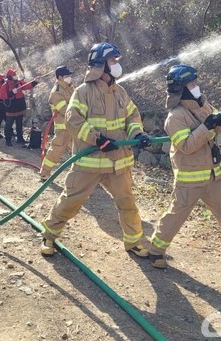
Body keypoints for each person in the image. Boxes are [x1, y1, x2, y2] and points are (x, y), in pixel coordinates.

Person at [40, 42, 151, 259]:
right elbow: (73, 120)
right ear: (101, 65)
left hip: (117, 162)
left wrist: (137, 134)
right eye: (112, 61)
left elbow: (132, 116)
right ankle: (49, 234)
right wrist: (97, 139)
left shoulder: (120, 92)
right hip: (89, 162)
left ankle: (134, 242)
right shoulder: (83, 92)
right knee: (70, 201)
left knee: (127, 202)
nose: (116, 65)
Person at [147, 65, 221, 269]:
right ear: (182, 89)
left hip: (212, 175)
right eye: (191, 84)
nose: (196, 86)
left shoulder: (202, 105)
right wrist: (207, 126)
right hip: (190, 178)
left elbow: (214, 127)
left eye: (195, 82)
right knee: (176, 216)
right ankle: (155, 251)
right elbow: (187, 146)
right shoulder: (175, 117)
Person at [39, 65, 75, 180]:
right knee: (56, 150)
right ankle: (44, 172)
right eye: (67, 76)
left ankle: (83, 175)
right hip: (63, 128)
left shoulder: (69, 87)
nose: (69, 77)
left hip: (74, 125)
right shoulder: (56, 92)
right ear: (60, 77)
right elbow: (65, 110)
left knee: (79, 151)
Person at [0, 69, 37, 146]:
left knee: (19, 124)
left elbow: (27, 86)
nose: (15, 75)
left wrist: (35, 82)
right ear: (10, 77)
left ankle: (20, 139)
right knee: (8, 125)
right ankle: (8, 139)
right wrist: (11, 93)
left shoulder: (19, 82)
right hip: (11, 108)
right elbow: (2, 96)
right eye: (14, 75)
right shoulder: (5, 85)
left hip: (19, 107)